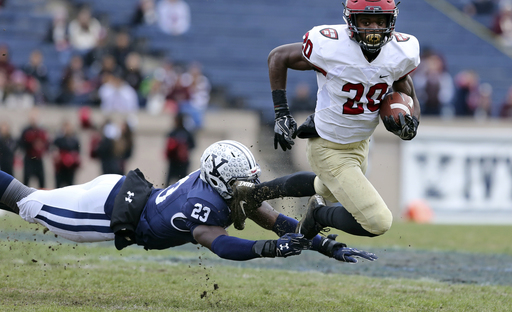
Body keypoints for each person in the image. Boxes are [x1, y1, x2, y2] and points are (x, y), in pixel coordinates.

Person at [232, 0, 421, 241]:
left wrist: (413, 120)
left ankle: (252, 193)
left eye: (380, 21)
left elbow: (405, 85)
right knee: (378, 221)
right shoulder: (332, 46)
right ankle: (318, 216)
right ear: (352, 21)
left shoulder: (400, 52)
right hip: (329, 146)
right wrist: (282, 113)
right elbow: (278, 57)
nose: (374, 29)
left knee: (323, 185)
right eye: (366, 21)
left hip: (360, 144)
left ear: (391, 21)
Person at [0, 140, 376, 263]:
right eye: (242, 182)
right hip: (105, 213)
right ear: (221, 180)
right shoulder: (203, 203)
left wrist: (324, 244)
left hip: (119, 189)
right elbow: (219, 242)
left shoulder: (220, 183)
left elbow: (275, 215)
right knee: (25, 201)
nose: (250, 187)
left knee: (29, 196)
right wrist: (269, 249)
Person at [18, 110, 50, 188]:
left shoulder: (42, 130)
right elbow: (21, 143)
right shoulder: (26, 130)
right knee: (26, 181)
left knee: (42, 182)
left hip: (38, 159)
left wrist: (41, 147)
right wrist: (31, 144)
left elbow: (47, 143)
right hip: (29, 158)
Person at [165, 113, 195, 185]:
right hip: (174, 161)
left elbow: (193, 145)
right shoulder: (174, 132)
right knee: (170, 182)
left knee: (183, 183)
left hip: (182, 163)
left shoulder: (185, 133)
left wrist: (183, 148)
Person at [52, 121, 81, 188]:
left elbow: (78, 153)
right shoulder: (58, 140)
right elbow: (53, 150)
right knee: (59, 187)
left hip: (70, 169)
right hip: (60, 168)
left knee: (70, 187)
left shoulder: (74, 140)